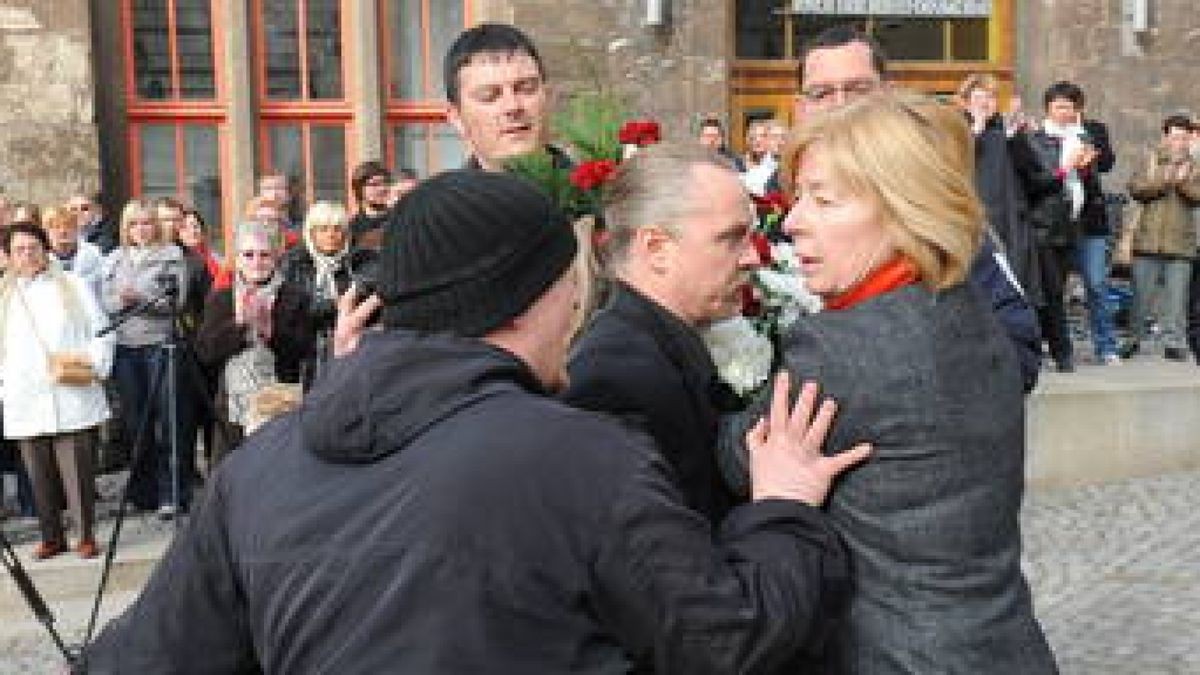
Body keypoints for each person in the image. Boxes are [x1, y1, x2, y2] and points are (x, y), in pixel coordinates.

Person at [85, 170, 869, 673]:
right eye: (572, 283)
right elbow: (724, 637)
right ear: (532, 295)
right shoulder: (580, 455)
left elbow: (146, 657)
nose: (579, 305)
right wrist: (783, 511)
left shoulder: (259, 467)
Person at [722, 91, 1058, 674]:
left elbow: (739, 456)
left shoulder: (841, 348)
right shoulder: (969, 310)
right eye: (797, 197)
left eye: (822, 200)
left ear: (905, 211)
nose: (794, 220)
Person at [796, 24, 1041, 391]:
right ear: (800, 107)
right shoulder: (764, 213)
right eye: (821, 93)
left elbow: (1015, 352)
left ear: (888, 94)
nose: (840, 104)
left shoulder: (936, 212)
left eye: (858, 89)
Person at [564, 143, 755, 525]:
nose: (752, 257)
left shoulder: (659, 347)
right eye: (730, 238)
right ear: (655, 249)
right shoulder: (615, 380)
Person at [0, 222, 114, 560]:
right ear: (8, 256)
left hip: (70, 391)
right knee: (38, 473)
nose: (28, 255)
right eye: (19, 250)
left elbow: (102, 332)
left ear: (45, 248)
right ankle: (51, 536)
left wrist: (92, 362)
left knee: (77, 469)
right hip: (26, 396)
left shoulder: (73, 285)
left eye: (33, 247)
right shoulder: (3, 296)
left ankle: (85, 534)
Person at [100, 200, 191, 517]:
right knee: (135, 422)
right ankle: (143, 492)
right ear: (126, 228)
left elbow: (176, 302)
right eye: (134, 223)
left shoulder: (172, 255)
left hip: (159, 344)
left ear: (157, 225)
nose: (141, 229)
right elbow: (105, 301)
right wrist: (120, 300)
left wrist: (140, 298)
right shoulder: (113, 258)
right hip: (126, 348)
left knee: (169, 420)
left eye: (147, 222)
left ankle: (173, 492)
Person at [195, 222, 313, 462]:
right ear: (237, 259)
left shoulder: (294, 296)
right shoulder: (221, 298)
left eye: (264, 254)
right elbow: (205, 352)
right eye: (248, 255)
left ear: (275, 258)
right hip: (232, 406)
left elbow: (303, 349)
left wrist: (270, 331)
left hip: (280, 400)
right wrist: (240, 327)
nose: (256, 262)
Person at [1027, 81, 1118, 369]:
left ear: (1078, 109)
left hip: (1088, 223)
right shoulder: (1036, 137)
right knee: (1053, 288)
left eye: (1070, 106)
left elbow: (1105, 165)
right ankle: (1053, 344)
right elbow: (1036, 179)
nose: (1064, 111)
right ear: (1048, 108)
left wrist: (1087, 148)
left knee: (1096, 282)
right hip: (1053, 225)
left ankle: (1105, 346)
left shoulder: (1090, 132)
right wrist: (1067, 167)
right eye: (1058, 106)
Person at [959, 73, 1047, 307]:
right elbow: (956, 161)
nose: (986, 102)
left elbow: (1035, 174)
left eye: (992, 96)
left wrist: (1014, 137)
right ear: (965, 102)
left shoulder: (1007, 134)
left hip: (1010, 222)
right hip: (973, 223)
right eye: (980, 97)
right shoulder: (957, 132)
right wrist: (976, 127)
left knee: (1014, 290)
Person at [1121, 114, 1200, 361]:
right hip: (1148, 240)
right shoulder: (1150, 160)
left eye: (1184, 137)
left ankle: (1174, 343)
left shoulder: (1196, 165)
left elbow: (1198, 196)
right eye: (1175, 136)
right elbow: (1135, 188)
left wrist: (1183, 183)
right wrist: (1163, 181)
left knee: (1177, 298)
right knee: (1140, 296)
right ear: (1165, 136)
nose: (1180, 142)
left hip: (1182, 243)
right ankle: (1133, 339)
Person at [445, 23, 570, 172]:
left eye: (526, 89)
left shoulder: (598, 192)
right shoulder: (440, 196)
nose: (512, 106)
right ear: (457, 118)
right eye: (489, 96)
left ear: (548, 98)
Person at [280, 201, 376, 381]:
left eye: (337, 229)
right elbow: (293, 311)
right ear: (311, 233)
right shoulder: (291, 264)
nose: (331, 235)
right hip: (304, 357)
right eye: (323, 229)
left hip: (352, 353)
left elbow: (369, 298)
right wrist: (335, 305)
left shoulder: (362, 260)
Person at [42, 204, 105, 300]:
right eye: (56, 227)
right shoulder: (41, 258)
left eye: (68, 226)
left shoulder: (92, 253)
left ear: (77, 229)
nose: (63, 231)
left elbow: (103, 287)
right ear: (46, 232)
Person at [348, 160, 392, 251]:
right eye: (374, 184)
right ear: (359, 189)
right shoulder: (352, 228)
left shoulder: (399, 221)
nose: (382, 188)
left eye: (386, 183)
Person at [740, 119, 779, 196]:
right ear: (748, 140)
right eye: (753, 137)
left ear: (769, 140)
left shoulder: (776, 167)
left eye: (762, 136)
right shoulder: (737, 163)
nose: (758, 140)